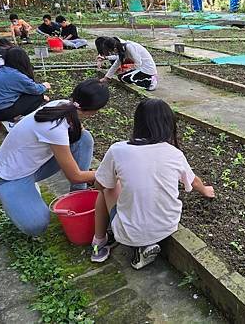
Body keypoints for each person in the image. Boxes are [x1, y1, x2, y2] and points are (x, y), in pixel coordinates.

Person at [91, 98, 214, 269]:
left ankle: (99, 242)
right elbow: (193, 180)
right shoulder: (174, 153)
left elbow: (100, 185)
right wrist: (205, 190)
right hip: (168, 225)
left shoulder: (118, 150)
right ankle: (144, 244)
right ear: (169, 124)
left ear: (138, 122)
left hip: (130, 231)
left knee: (107, 188)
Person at [0, 79, 109, 236]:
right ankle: (16, 198)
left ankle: (78, 193)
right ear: (94, 111)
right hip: (9, 176)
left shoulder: (63, 105)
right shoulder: (55, 127)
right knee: (37, 225)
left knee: (83, 138)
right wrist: (109, 173)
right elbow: (75, 176)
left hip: (34, 166)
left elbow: (79, 132)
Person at [0, 47, 50, 121]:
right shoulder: (16, 75)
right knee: (37, 97)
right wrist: (44, 86)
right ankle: (16, 118)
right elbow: (36, 90)